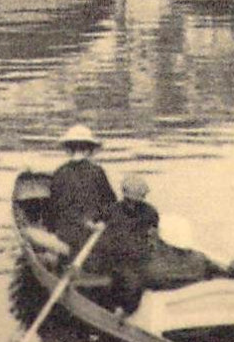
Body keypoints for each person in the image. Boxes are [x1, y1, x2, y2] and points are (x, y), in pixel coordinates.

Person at [88, 174, 160, 313]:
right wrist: (95, 227)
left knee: (132, 280)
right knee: (118, 279)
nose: (132, 204)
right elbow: (90, 221)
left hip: (137, 257)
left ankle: (123, 310)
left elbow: (153, 235)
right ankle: (117, 308)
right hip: (115, 256)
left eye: (136, 200)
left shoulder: (150, 212)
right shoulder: (112, 209)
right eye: (130, 200)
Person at [48, 124, 116, 251]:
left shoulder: (59, 172)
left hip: (67, 234)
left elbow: (53, 208)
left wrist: (51, 230)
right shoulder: (98, 171)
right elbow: (111, 203)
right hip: (93, 232)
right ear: (89, 150)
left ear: (68, 149)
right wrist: (100, 222)